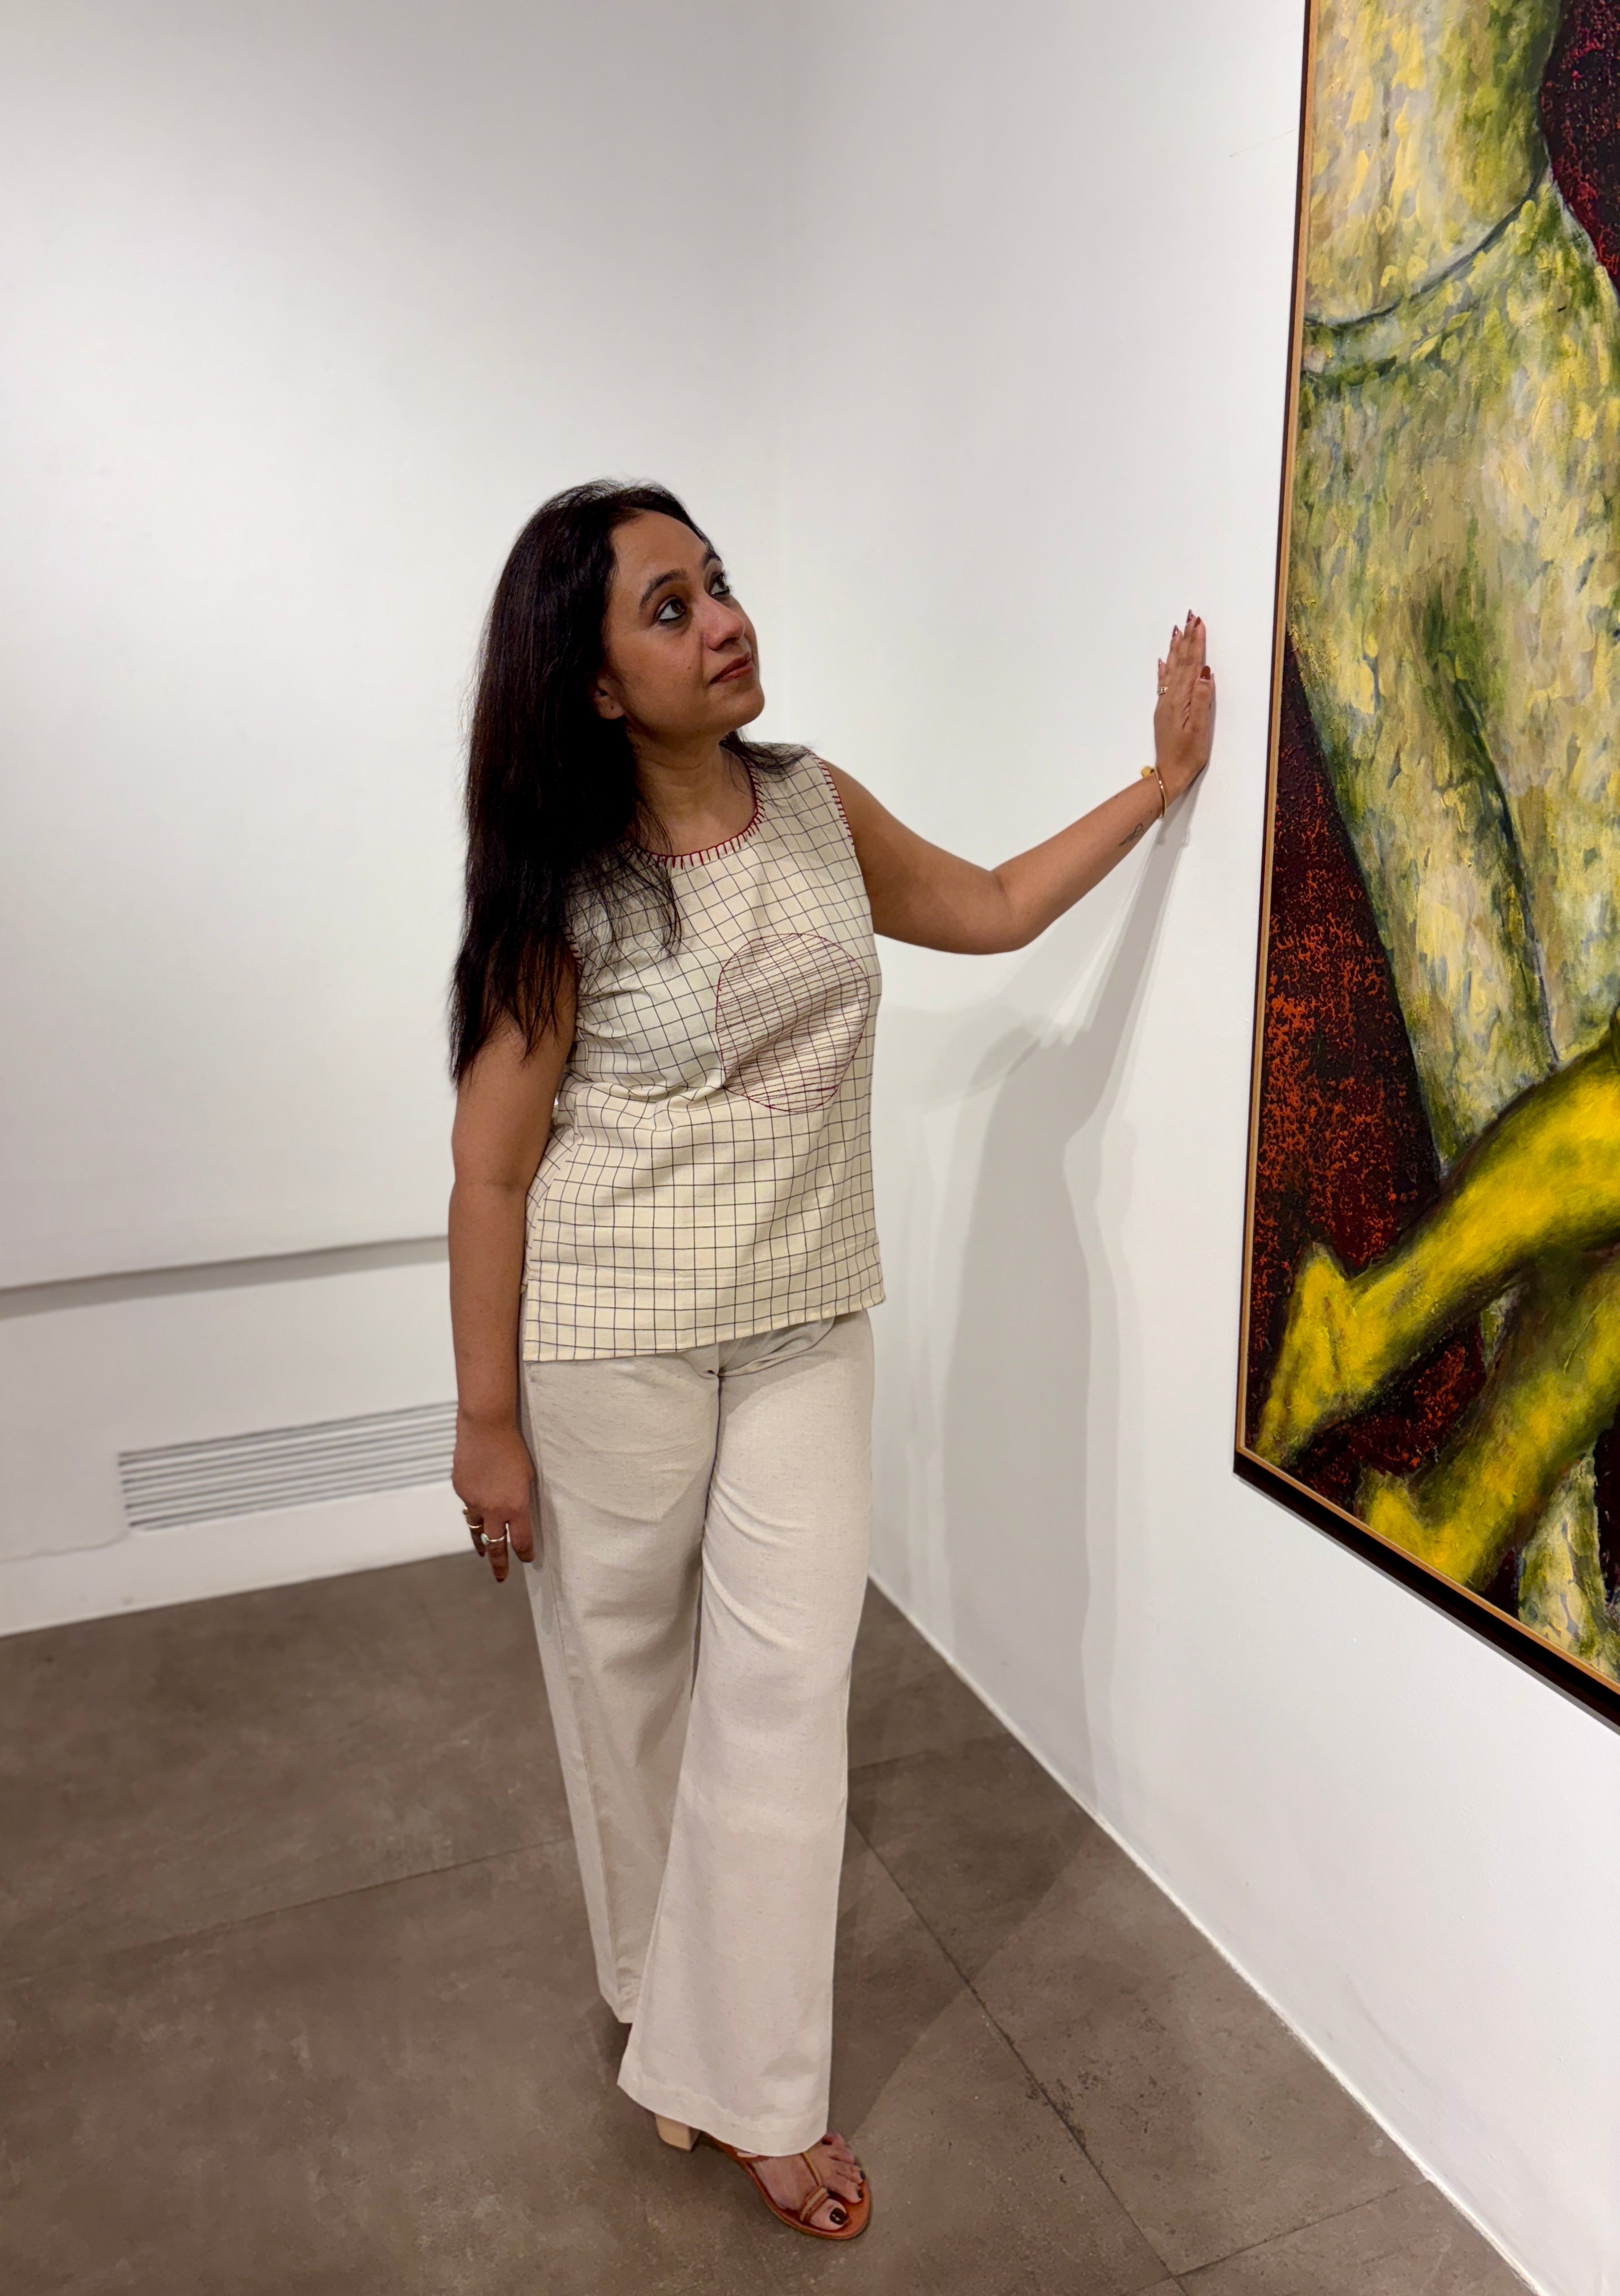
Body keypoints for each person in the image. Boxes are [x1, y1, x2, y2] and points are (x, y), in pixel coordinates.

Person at [446, 480, 1213, 2241]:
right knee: (629, 1692)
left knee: (785, 1701)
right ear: (593, 685)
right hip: (611, 1344)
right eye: (668, 608)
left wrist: (1161, 786)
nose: (723, 620)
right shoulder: (565, 891)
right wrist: (488, 1423)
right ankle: (660, 1998)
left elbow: (996, 905)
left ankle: (759, 2091)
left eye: (715, 583)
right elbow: (490, 1166)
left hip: (803, 1320)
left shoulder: (814, 806)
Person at [1267, 0, 1620, 1672]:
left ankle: (1411, 1388)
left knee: (1601, 1015)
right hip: (1329, 439)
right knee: (1471, 1043)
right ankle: (1547, 1591)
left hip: (1513, 370)